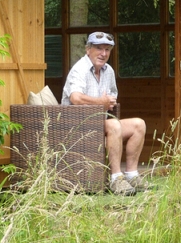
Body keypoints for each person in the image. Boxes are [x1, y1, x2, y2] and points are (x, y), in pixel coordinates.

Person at [62, 31, 147, 195]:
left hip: (99, 124)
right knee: (114, 124)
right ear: (88, 49)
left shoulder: (108, 71)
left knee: (139, 124)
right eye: (99, 48)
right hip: (76, 128)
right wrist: (102, 102)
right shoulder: (79, 69)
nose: (103, 54)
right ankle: (116, 179)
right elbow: (75, 98)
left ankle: (131, 175)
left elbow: (112, 95)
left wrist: (110, 101)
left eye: (107, 50)